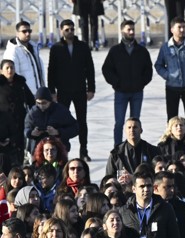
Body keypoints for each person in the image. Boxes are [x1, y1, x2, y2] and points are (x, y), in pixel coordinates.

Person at [48, 20, 96, 161]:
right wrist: (52, 91)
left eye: (72, 29)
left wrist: (91, 88)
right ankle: (62, 149)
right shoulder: (56, 48)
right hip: (63, 90)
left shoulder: (82, 47)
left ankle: (84, 150)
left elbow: (90, 68)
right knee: (62, 121)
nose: (70, 32)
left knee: (82, 121)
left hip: (80, 90)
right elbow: (51, 71)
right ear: (61, 30)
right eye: (67, 29)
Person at [102, 19, 153, 147]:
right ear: (122, 31)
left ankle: (135, 146)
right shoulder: (115, 51)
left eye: (132, 30)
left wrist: (141, 83)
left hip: (137, 92)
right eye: (128, 30)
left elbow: (148, 69)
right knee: (119, 122)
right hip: (121, 92)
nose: (131, 32)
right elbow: (106, 69)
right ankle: (117, 148)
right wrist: (116, 82)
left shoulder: (141, 51)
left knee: (135, 122)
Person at [118, 171, 181, 238]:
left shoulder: (165, 208)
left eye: (149, 185)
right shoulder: (124, 212)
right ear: (134, 189)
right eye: (142, 186)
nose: (146, 189)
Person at [0, 59, 35, 167]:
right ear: (1, 70)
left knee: (19, 151)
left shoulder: (21, 83)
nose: (10, 70)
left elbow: (31, 101)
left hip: (20, 122)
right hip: (3, 125)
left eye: (12, 67)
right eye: (7, 68)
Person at [23, 87, 79, 153]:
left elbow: (75, 128)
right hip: (38, 150)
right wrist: (31, 133)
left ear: (50, 101)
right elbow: (26, 128)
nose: (41, 106)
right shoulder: (32, 112)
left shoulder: (61, 111)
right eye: (38, 103)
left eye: (44, 103)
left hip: (59, 150)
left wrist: (58, 132)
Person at [2, 21, 45, 95]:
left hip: (38, 94)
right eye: (24, 31)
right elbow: (12, 76)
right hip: (25, 96)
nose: (27, 33)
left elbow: (39, 72)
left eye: (29, 31)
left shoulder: (34, 48)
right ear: (17, 33)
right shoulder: (12, 51)